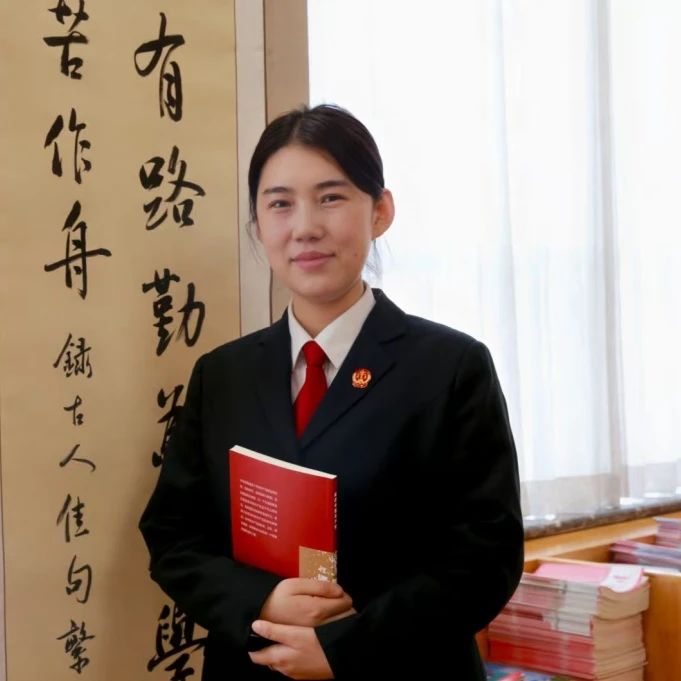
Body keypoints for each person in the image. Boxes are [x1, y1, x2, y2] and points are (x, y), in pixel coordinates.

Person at [139, 104, 524, 680]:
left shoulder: (450, 367)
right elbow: (173, 536)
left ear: (380, 211)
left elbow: (485, 558)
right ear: (258, 225)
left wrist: (346, 648)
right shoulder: (222, 375)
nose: (305, 227)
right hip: (253, 665)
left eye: (331, 197)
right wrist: (262, 601)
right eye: (280, 204)